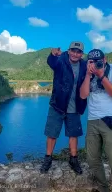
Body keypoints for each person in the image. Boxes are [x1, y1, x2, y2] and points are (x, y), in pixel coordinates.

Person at [80, 49, 112, 192]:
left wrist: (101, 76)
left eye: (98, 61)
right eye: (92, 62)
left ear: (105, 59)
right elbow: (83, 95)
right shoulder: (88, 72)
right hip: (93, 120)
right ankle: (103, 189)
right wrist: (88, 75)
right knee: (92, 159)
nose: (95, 64)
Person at [40, 41, 88, 175]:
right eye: (73, 50)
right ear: (69, 50)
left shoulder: (84, 65)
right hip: (58, 105)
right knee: (52, 133)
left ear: (81, 54)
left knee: (74, 134)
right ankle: (48, 159)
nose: (75, 54)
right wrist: (52, 54)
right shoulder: (61, 60)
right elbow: (52, 62)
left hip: (75, 106)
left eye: (78, 52)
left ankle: (73, 159)